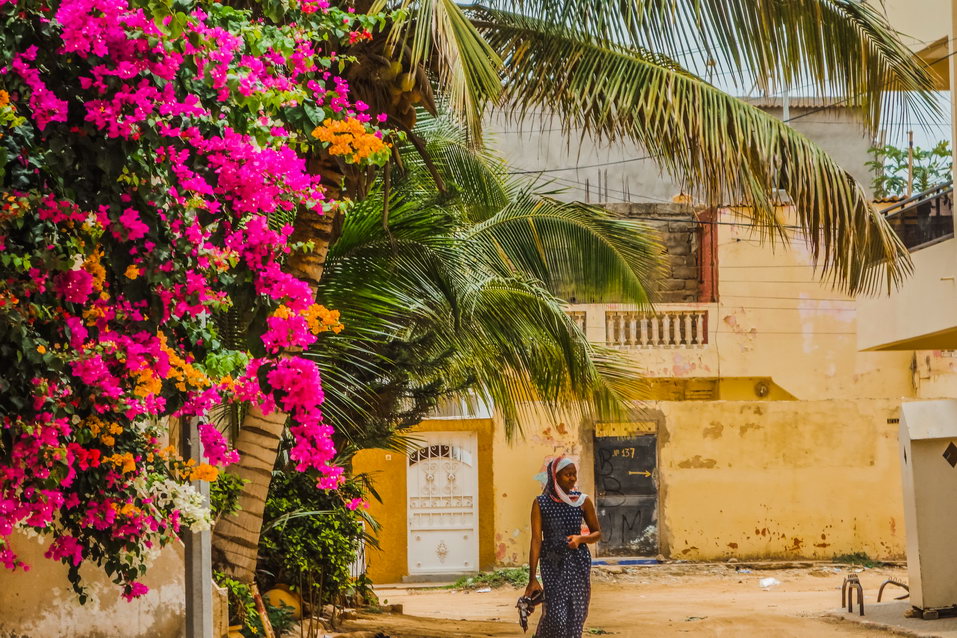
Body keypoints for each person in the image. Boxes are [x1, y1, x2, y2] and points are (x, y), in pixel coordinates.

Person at [524, 456, 602, 637]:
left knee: (576, 612)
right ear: (555, 477)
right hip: (552, 562)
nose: (573, 478)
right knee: (555, 613)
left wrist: (580, 539)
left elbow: (596, 533)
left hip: (577, 561)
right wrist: (532, 578)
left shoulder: (582, 501)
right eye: (568, 474)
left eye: (574, 474)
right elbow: (536, 540)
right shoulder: (540, 503)